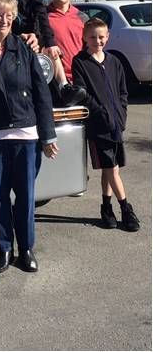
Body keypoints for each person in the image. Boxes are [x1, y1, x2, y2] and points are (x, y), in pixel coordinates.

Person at [0, 0, 59, 274]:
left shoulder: (24, 48)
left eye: (9, 15)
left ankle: (26, 249)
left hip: (26, 137)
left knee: (25, 196)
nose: (4, 20)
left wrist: (48, 135)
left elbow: (41, 94)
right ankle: (4, 248)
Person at [72, 18, 140, 232]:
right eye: (92, 37)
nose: (97, 41)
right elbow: (84, 95)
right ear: (84, 37)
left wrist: (121, 115)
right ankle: (126, 209)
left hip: (116, 125)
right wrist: (102, 115)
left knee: (111, 170)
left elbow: (122, 92)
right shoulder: (80, 62)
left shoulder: (114, 62)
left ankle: (106, 207)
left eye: (101, 37)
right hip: (99, 126)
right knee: (112, 168)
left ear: (107, 36)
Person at [8, 0, 86, 106]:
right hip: (11, 39)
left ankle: (64, 86)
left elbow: (41, 19)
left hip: (31, 40)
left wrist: (46, 41)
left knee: (51, 51)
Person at [47, 0, 89, 100]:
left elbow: (89, 48)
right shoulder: (43, 17)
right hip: (53, 81)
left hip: (80, 79)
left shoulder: (82, 18)